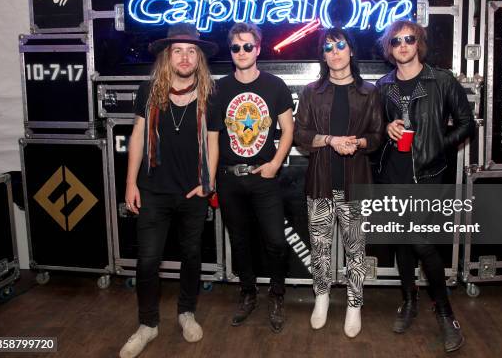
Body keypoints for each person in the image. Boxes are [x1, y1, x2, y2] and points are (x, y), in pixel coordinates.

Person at [119, 23, 218, 358]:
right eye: (178, 50)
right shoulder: (148, 91)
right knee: (147, 261)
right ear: (167, 56)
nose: (185, 56)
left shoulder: (209, 93)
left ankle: (186, 313)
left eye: (191, 50)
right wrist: (131, 182)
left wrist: (209, 181)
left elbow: (213, 141)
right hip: (153, 191)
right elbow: (137, 137)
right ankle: (147, 324)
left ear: (199, 57)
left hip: (191, 192)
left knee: (191, 257)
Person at [375, 20, 474, 353]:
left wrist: (438, 145)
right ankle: (408, 300)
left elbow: (466, 123)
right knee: (403, 243)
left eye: (409, 39)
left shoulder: (441, 80)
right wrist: (385, 127)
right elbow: (375, 129)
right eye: (396, 41)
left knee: (423, 242)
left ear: (419, 43)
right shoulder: (383, 85)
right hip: (393, 173)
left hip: (429, 176)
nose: (403, 45)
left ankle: (446, 313)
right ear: (389, 48)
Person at [294, 28, 383, 338]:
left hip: (356, 185)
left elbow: (377, 137)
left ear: (351, 51)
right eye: (328, 47)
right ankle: (321, 298)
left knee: (356, 251)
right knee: (320, 250)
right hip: (319, 184)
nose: (334, 52)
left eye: (340, 45)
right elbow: (301, 136)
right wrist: (330, 140)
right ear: (323, 55)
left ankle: (354, 304)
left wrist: (356, 143)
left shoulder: (369, 92)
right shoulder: (311, 92)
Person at [208, 23, 294, 333]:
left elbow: (288, 129)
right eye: (235, 47)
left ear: (258, 49)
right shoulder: (219, 88)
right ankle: (247, 293)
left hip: (264, 178)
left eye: (247, 46)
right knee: (240, 242)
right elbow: (213, 136)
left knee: (276, 242)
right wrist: (211, 177)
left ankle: (277, 295)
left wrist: (274, 163)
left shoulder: (275, 85)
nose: (242, 52)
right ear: (231, 52)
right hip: (230, 179)